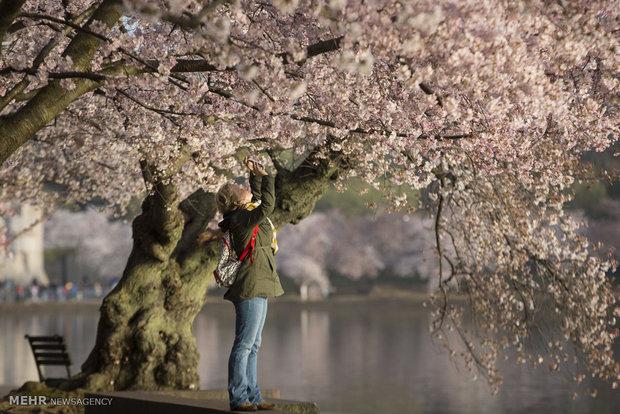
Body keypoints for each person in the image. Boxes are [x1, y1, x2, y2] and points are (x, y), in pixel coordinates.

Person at [214, 157, 284, 412]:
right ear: (235, 201)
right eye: (239, 187)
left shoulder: (245, 213)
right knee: (243, 344)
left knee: (253, 345)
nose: (243, 187)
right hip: (250, 284)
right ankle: (238, 398)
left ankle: (253, 396)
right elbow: (267, 205)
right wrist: (267, 179)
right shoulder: (240, 219)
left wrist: (256, 177)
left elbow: (259, 204)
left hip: (261, 281)